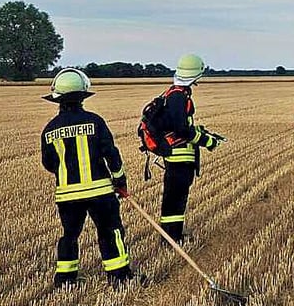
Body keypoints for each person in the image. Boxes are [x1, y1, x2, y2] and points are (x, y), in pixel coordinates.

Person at [40, 68, 136, 287]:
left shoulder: (49, 129)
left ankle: (65, 279)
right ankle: (119, 277)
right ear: (83, 95)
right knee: (110, 231)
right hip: (100, 192)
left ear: (58, 99)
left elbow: (48, 163)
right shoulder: (95, 121)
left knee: (70, 235)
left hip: (67, 195)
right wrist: (119, 180)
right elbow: (111, 153)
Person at [158, 54, 223, 244]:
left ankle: (171, 236)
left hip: (176, 156)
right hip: (179, 157)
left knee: (174, 198)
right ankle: (172, 238)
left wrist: (201, 132)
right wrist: (206, 141)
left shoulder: (174, 93)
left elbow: (181, 125)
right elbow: (180, 129)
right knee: (176, 199)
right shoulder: (178, 96)